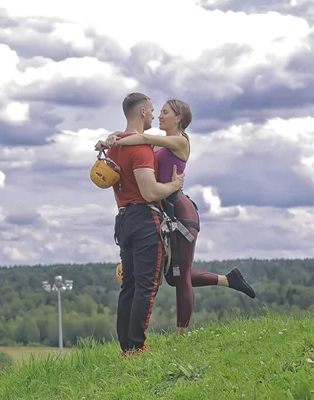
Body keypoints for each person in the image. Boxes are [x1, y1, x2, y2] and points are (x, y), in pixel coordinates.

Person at [99, 99, 257, 336]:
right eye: (158, 112)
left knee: (180, 276)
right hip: (166, 212)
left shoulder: (179, 141)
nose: (159, 116)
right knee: (171, 275)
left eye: (165, 113)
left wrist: (113, 139)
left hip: (181, 212)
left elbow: (141, 138)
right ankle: (228, 279)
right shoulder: (160, 146)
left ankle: (181, 336)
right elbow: (136, 140)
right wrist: (112, 137)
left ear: (178, 119)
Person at [102, 92, 185, 356]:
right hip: (145, 218)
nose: (153, 115)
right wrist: (172, 186)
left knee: (129, 286)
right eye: (151, 110)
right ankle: (137, 347)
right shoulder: (139, 148)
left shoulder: (115, 145)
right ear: (141, 112)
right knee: (146, 287)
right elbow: (149, 192)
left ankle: (126, 347)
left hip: (123, 218)